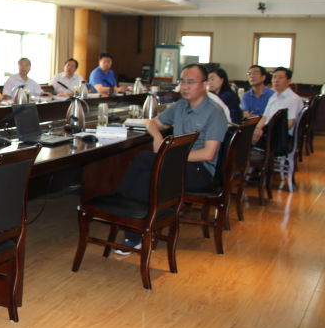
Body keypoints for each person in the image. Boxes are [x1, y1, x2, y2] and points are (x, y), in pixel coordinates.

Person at [114, 64, 228, 253]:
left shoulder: (214, 113)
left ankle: (121, 207)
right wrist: (157, 137)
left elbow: (208, 153)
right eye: (182, 81)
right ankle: (134, 232)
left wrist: (170, 156)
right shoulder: (180, 106)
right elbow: (152, 123)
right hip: (177, 165)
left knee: (144, 162)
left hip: (200, 171)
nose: (185, 86)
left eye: (191, 82)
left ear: (204, 84)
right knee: (144, 173)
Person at [251, 67, 303, 145]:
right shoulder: (273, 96)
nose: (276, 80)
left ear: (288, 81)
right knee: (245, 135)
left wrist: (265, 132)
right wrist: (257, 129)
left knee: (242, 140)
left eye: (280, 78)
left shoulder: (294, 99)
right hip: (267, 132)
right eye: (274, 77)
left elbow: (289, 124)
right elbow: (265, 117)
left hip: (280, 137)